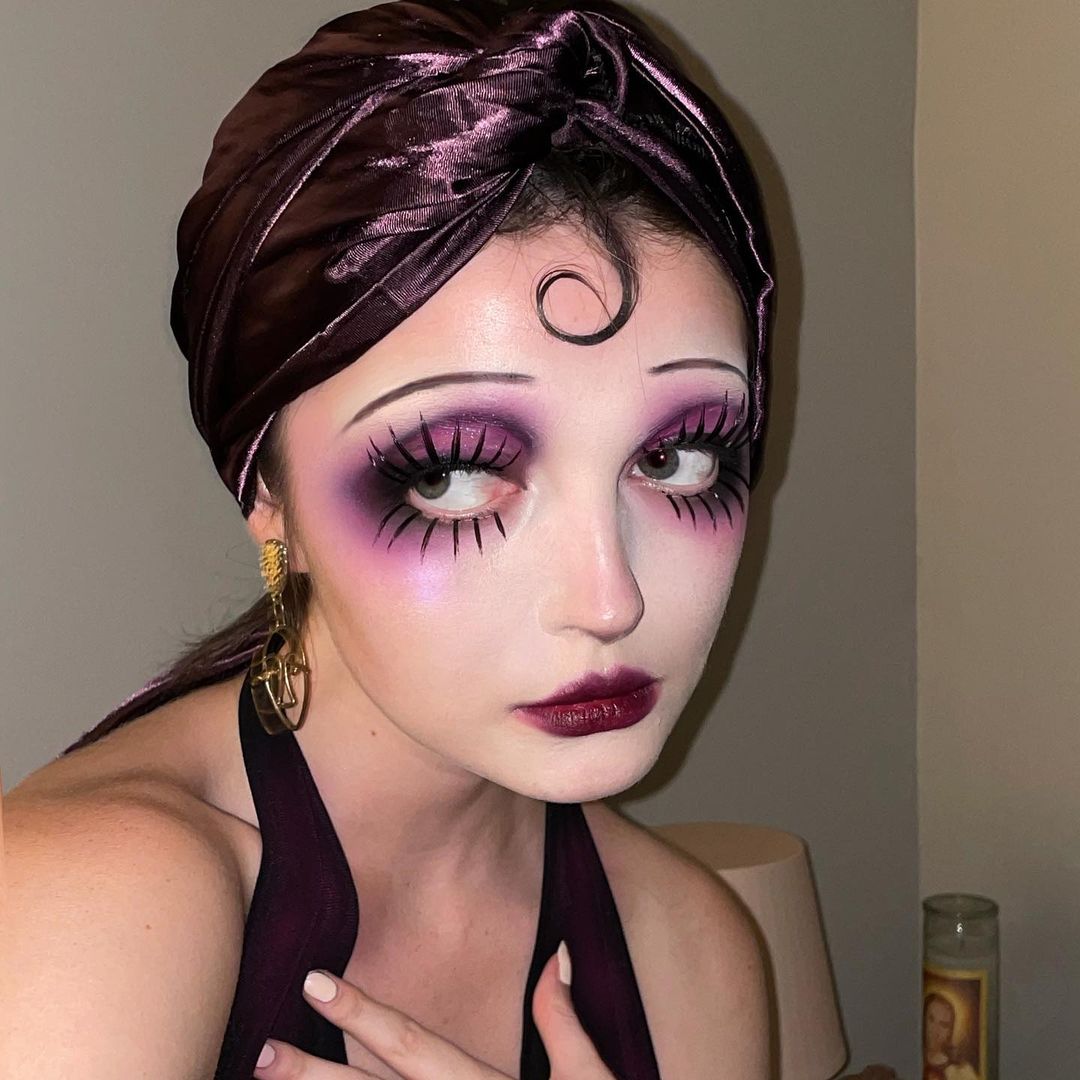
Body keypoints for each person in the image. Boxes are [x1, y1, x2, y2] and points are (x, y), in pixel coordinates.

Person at [1, 1, 775, 1076]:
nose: (610, 600)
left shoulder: (690, 953)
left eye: (678, 458)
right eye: (453, 474)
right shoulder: (84, 911)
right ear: (268, 494)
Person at [923, 993, 981, 1080]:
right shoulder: (912, 1059)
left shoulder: (960, 1071)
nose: (935, 1029)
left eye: (943, 1025)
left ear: (949, 1033)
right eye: (931, 1019)